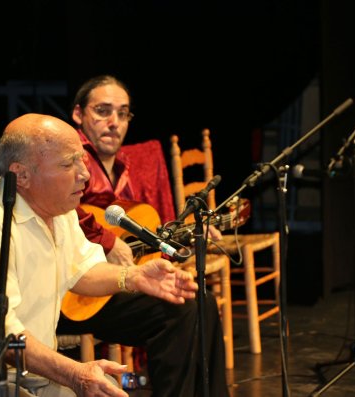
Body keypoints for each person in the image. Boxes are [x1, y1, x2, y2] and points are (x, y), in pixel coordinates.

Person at [0, 113, 199, 397]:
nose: (84, 174)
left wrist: (133, 276)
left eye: (82, 160)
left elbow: (82, 271)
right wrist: (75, 373)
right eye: (69, 164)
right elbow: (1, 339)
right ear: (21, 175)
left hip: (24, 375)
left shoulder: (58, 210)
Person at [55, 75, 230, 397]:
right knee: (180, 308)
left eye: (123, 113)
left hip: (105, 290)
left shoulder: (123, 170)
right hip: (68, 290)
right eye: (103, 111)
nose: (114, 123)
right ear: (78, 114)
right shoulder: (68, 156)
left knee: (197, 301)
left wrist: (187, 235)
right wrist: (107, 242)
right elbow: (58, 207)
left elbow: (136, 239)